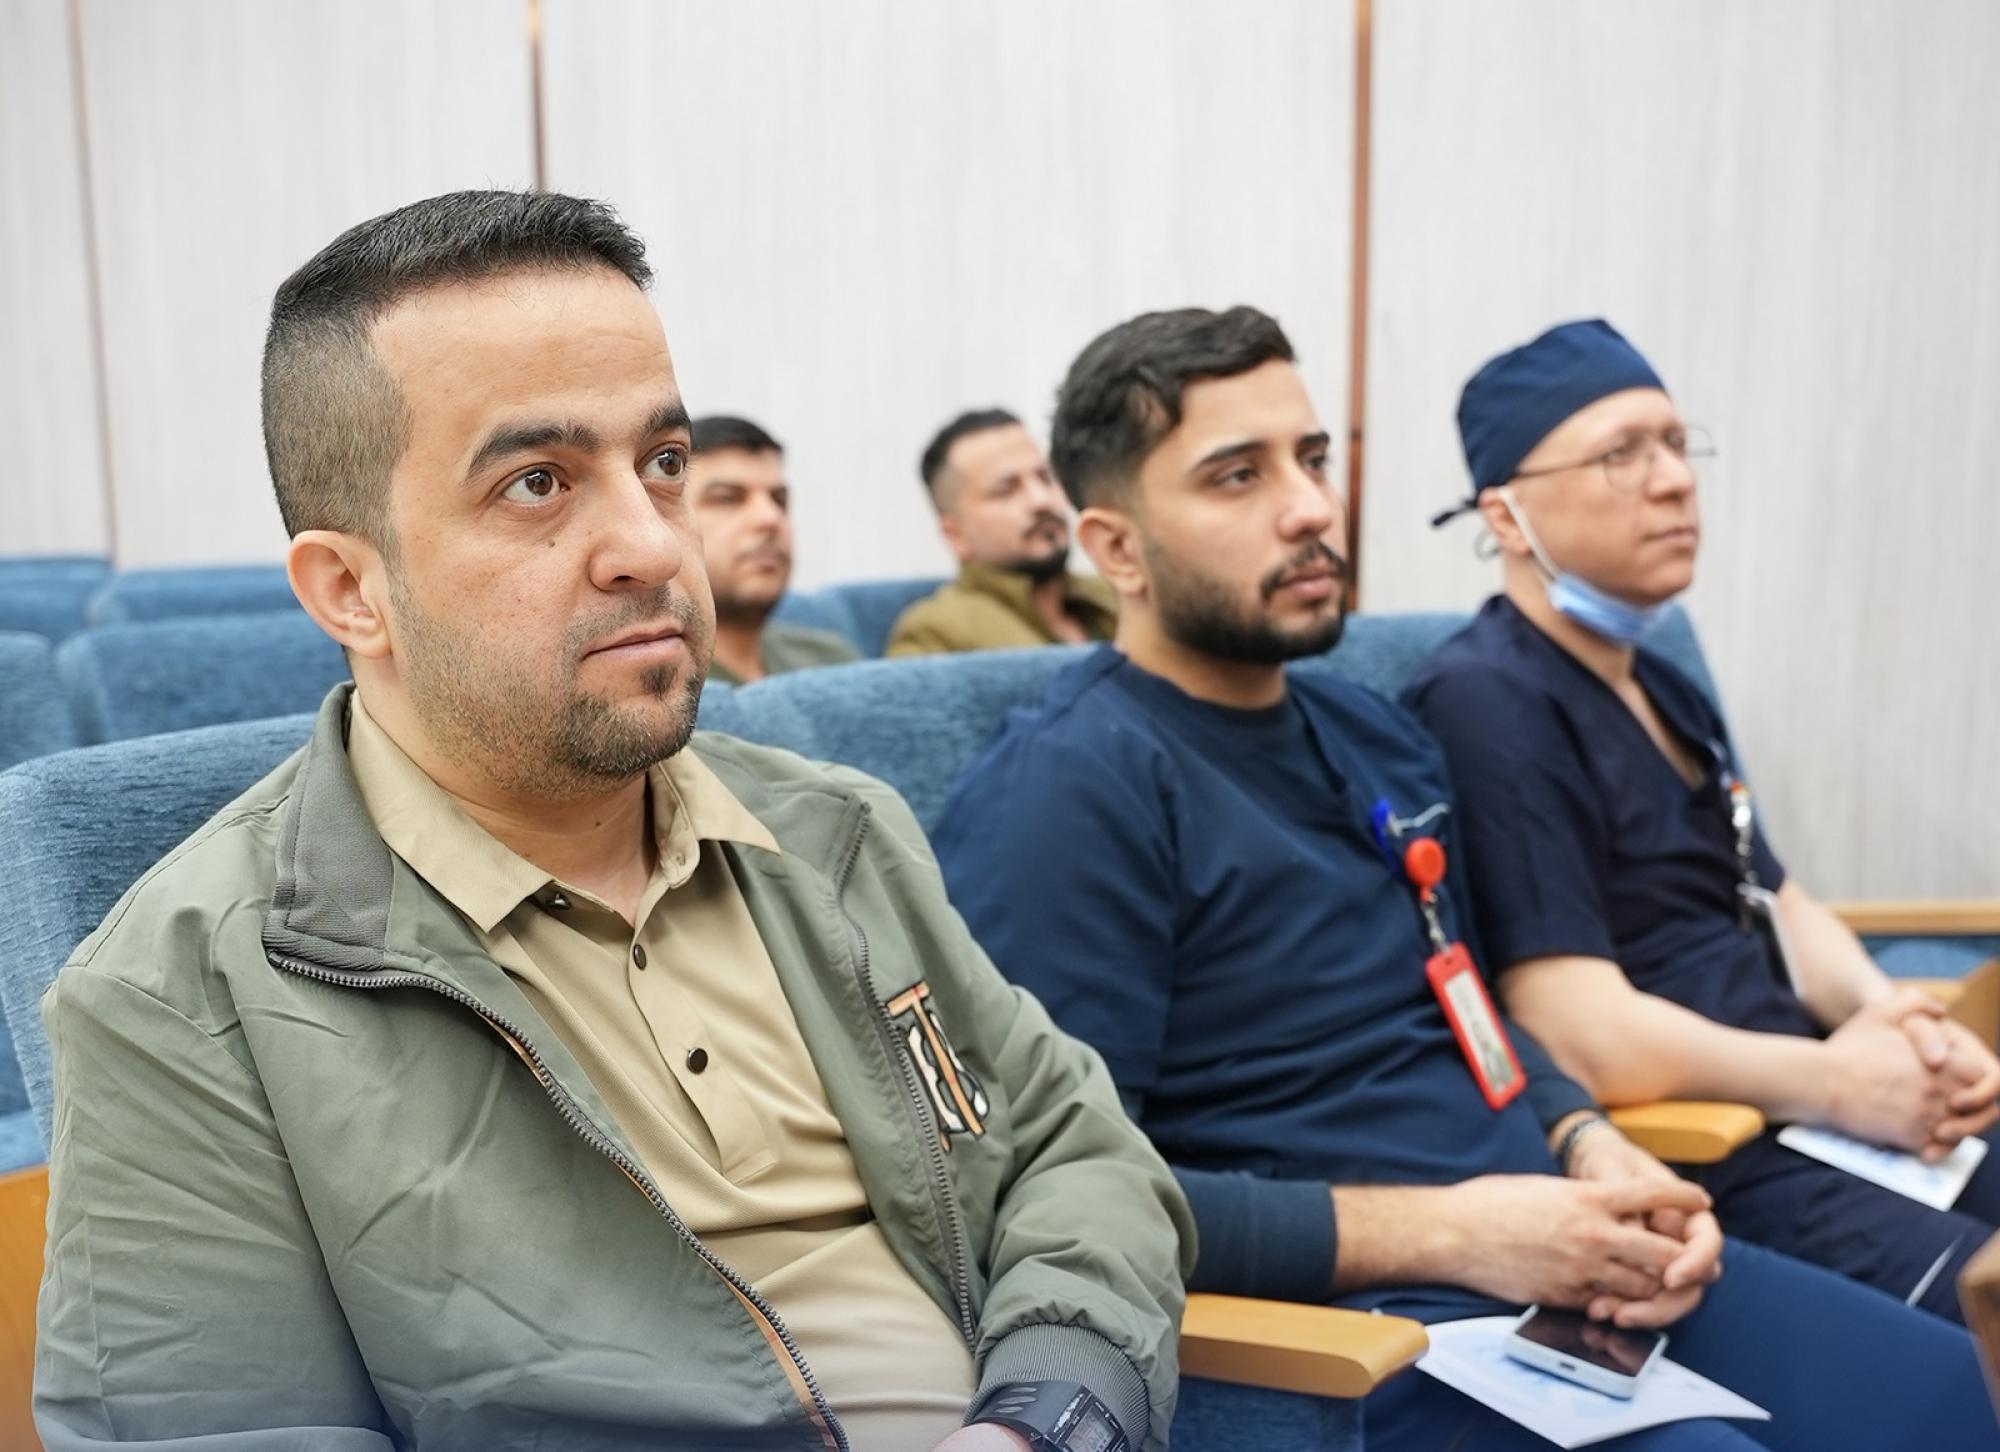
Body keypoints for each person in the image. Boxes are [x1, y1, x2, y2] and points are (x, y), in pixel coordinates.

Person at [34, 190, 1194, 1452]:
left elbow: (1074, 1152)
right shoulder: (177, 997)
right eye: (537, 483)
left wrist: (1044, 1416)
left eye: (663, 463)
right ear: (351, 589)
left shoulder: (828, 831)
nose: (651, 544)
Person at [933, 304, 2000, 1450]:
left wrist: (1591, 1145)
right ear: (1114, 549)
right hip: (1361, 1326)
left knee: (1954, 1394)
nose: (1309, 507)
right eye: (1237, 476)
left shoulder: (1372, 738)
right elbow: (1046, 1187)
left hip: (1559, 1259)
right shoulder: (1067, 791)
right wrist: (1454, 1233)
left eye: (1311, 459)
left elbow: (1469, 1009)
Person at [1402, 318, 2000, 1320]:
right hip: (1711, 1149)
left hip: (1813, 1108)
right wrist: (1837, 1081)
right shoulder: (1486, 701)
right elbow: (1575, 1028)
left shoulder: (1661, 687)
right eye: (1621, 454)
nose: (1675, 481)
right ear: (1505, 515)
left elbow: (1774, 895)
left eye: (1677, 444)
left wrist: (1892, 1017)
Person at [887, 409, 1116, 656]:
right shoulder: (934, 634)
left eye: (1045, 478)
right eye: (1006, 490)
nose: (1041, 500)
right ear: (955, 535)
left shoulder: (1118, 593)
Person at [687, 414, 858, 684]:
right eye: (728, 498)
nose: (770, 518)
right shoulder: (654, 686)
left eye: (779, 500)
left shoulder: (831, 660)